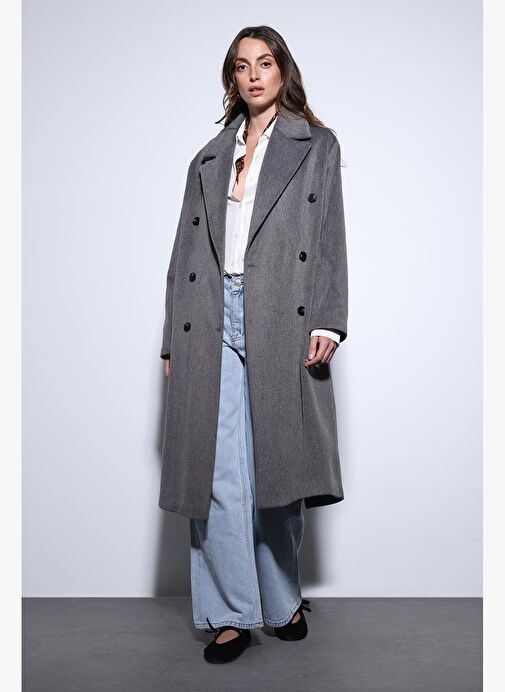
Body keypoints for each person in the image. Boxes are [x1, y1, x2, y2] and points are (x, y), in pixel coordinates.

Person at [159, 25, 348, 664]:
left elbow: (329, 235)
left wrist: (328, 320)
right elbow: (184, 252)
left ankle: (282, 600)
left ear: (281, 71)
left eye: (265, 63)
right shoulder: (209, 157)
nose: (254, 75)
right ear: (232, 79)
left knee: (278, 463)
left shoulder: (316, 145)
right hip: (209, 314)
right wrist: (172, 340)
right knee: (217, 470)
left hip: (281, 313)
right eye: (242, 66)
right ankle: (229, 615)